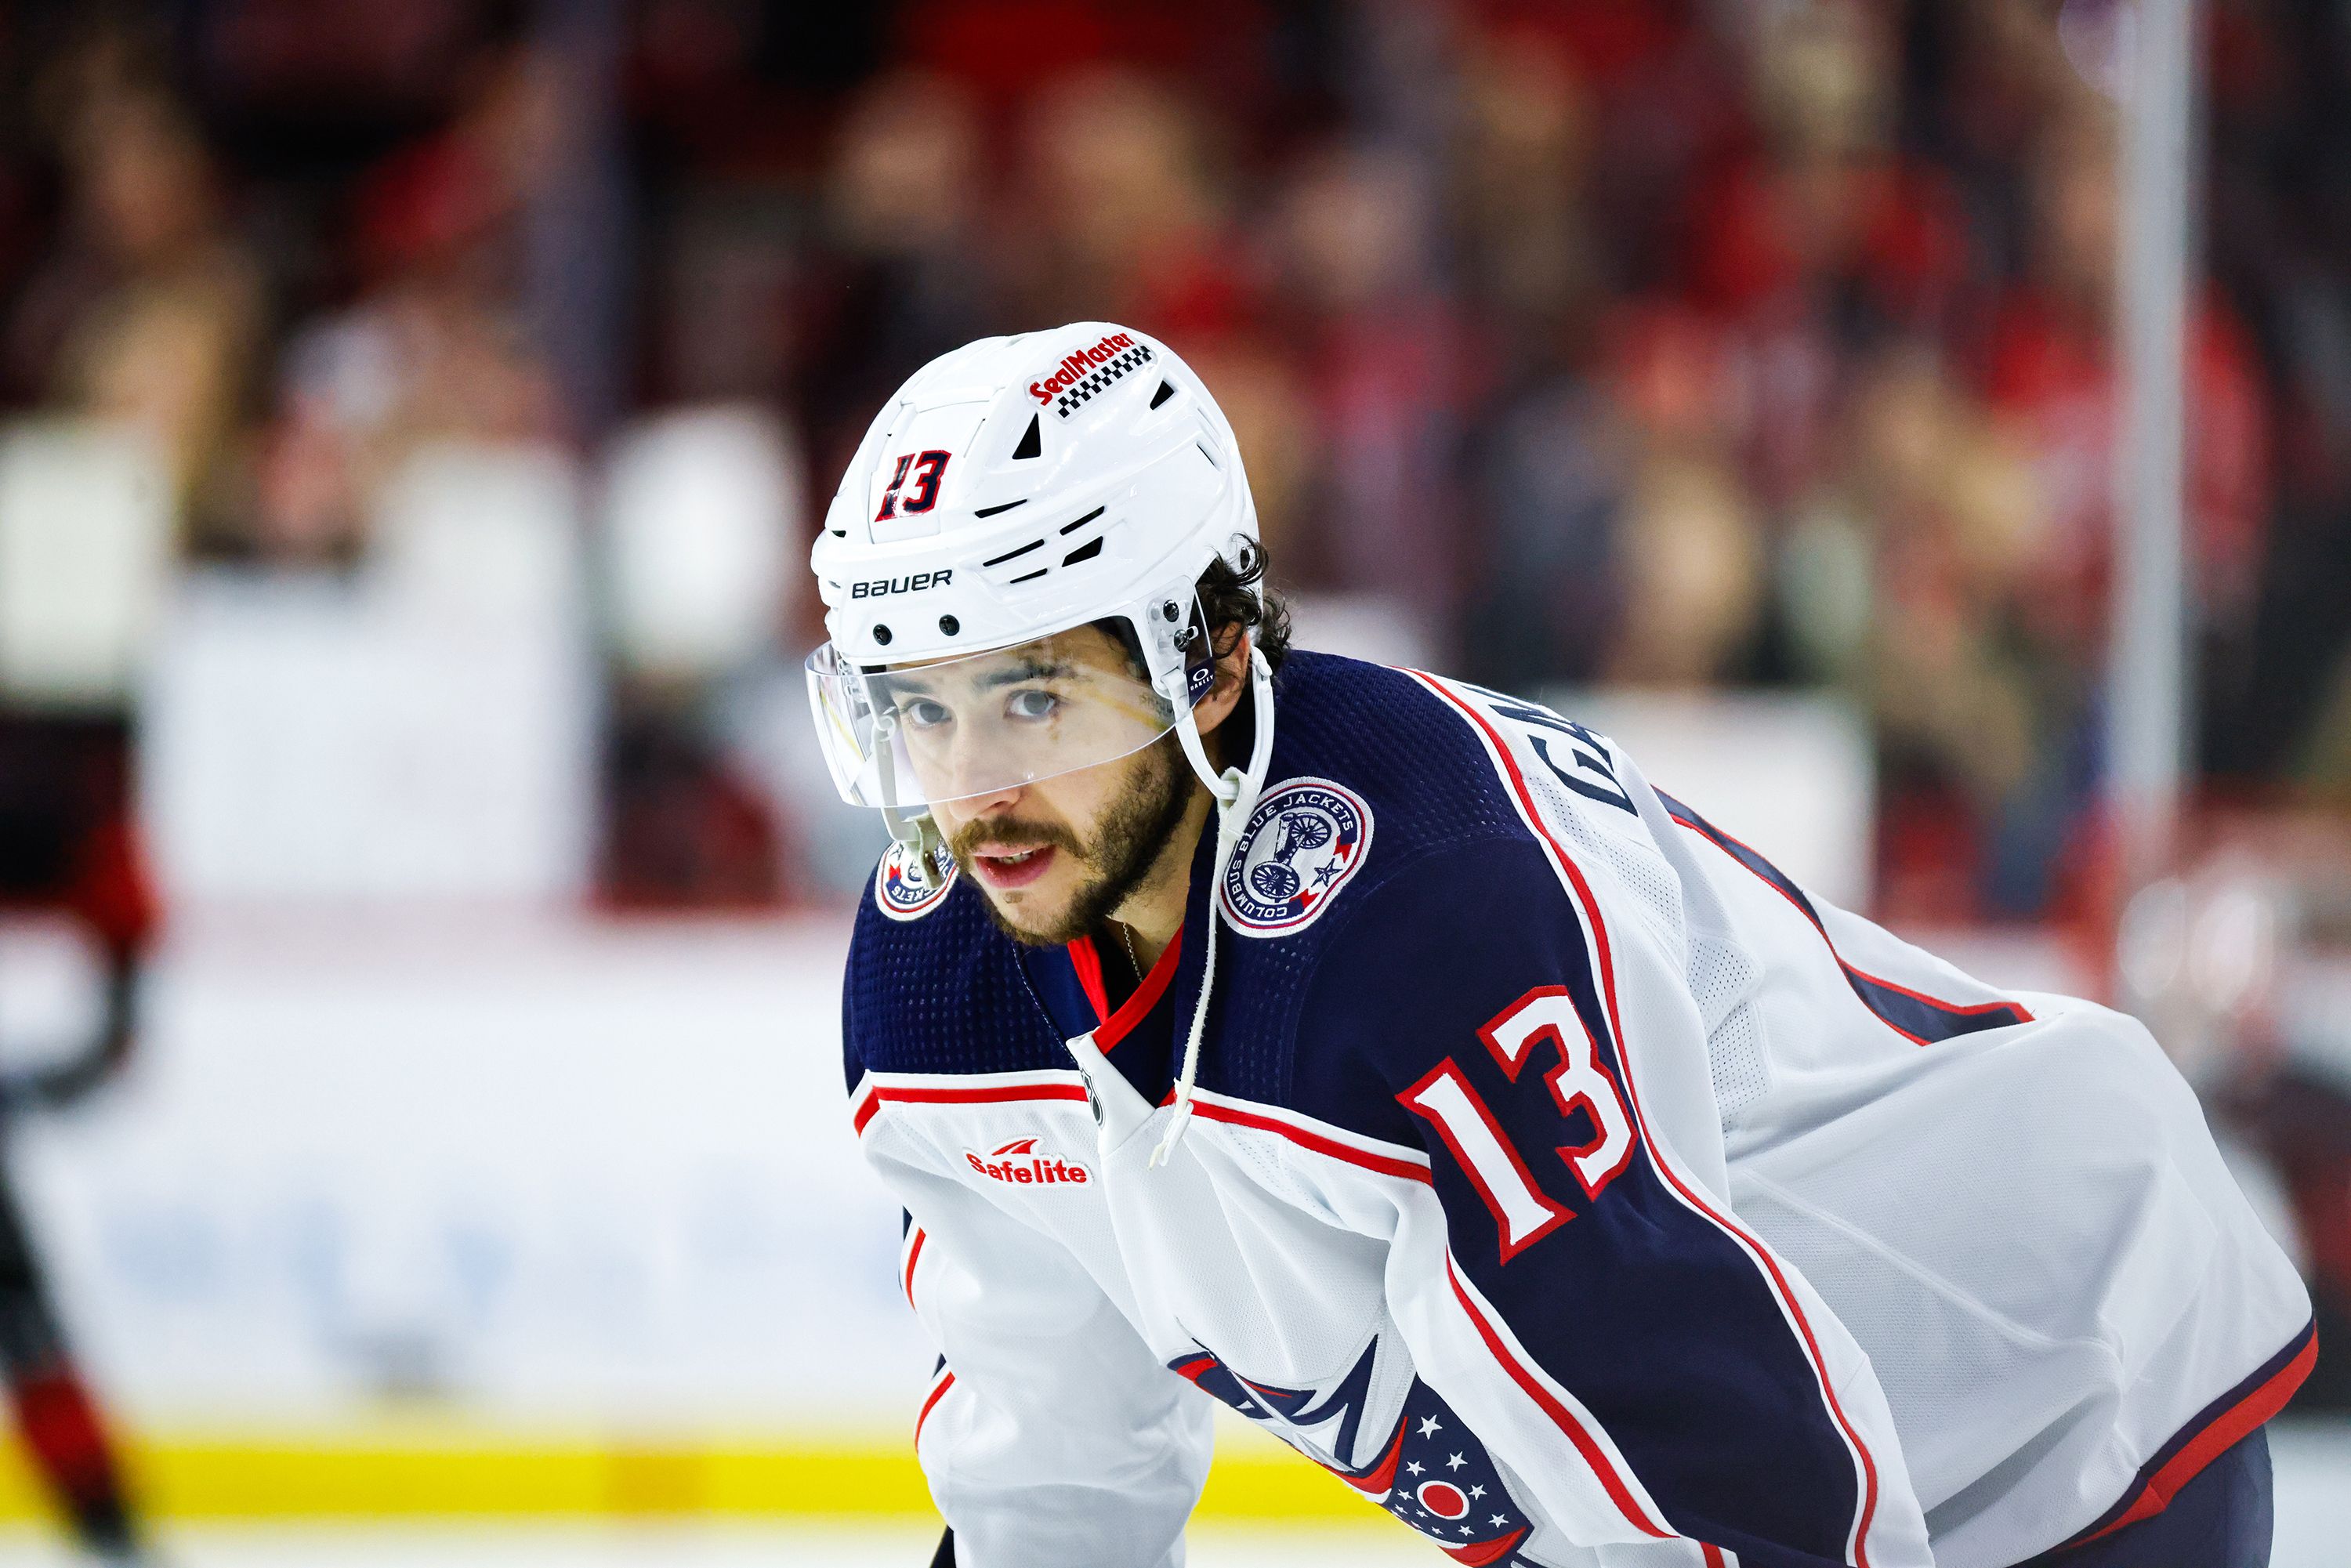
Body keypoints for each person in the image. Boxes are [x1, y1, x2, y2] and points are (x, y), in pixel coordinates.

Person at [805, 324, 2311, 1568]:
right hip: (1768, 1449)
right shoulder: (941, 979)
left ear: (1206, 657)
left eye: (1032, 696)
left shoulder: (1423, 915)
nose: (972, 788)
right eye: (920, 706)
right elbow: (1052, 1473)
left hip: (2053, 1378)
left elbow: (1722, 1470)